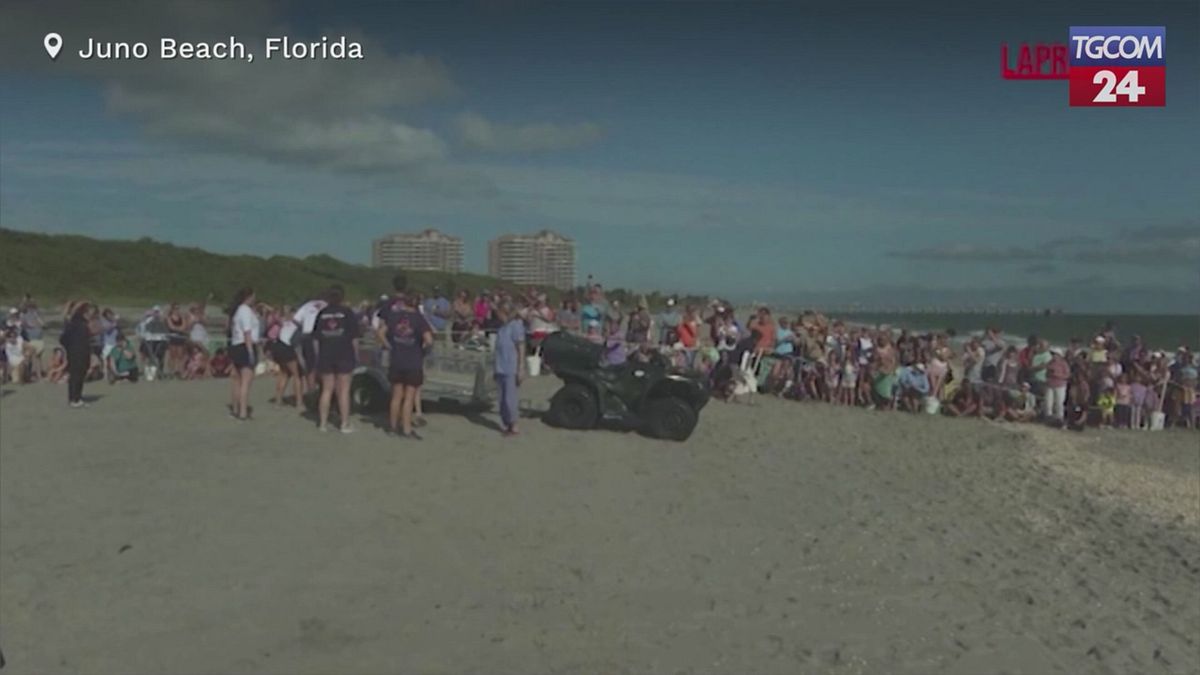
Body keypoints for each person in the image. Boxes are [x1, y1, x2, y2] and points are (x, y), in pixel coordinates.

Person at [376, 275, 433, 440]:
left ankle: (392, 427)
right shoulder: (419, 319)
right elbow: (429, 340)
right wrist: (423, 350)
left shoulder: (394, 316)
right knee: (408, 397)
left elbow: (379, 332)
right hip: (413, 360)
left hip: (397, 358)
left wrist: (388, 345)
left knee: (396, 395)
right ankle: (406, 429)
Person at [314, 286, 360, 433]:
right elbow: (354, 337)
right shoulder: (347, 312)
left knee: (326, 390)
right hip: (344, 353)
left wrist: (318, 355)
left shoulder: (322, 313)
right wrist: (356, 355)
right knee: (344, 390)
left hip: (326, 353)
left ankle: (322, 423)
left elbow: (315, 338)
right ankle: (344, 423)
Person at [493, 302, 526, 437]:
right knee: (501, 399)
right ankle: (507, 423)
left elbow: (521, 346)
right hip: (500, 366)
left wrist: (521, 367)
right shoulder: (502, 328)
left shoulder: (515, 326)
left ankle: (514, 425)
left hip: (511, 367)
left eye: (500, 313)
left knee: (509, 398)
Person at [228, 288, 260, 421]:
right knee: (246, 381)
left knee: (237, 381)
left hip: (236, 345)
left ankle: (236, 409)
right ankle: (243, 411)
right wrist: (251, 351)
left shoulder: (237, 311)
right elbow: (247, 331)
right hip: (245, 345)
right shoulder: (245, 310)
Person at [61, 302, 94, 407]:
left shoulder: (82, 324)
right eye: (88, 312)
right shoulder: (75, 324)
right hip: (76, 353)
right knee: (76, 376)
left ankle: (77, 397)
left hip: (83, 352)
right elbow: (63, 339)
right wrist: (70, 348)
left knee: (80, 375)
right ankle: (73, 399)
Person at [293, 295, 329, 389]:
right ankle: (324, 389)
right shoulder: (326, 305)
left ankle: (311, 391)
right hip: (322, 335)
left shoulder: (307, 305)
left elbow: (295, 320)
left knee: (310, 366)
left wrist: (304, 325)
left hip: (307, 335)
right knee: (324, 365)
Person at [271, 304, 304, 407]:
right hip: (288, 347)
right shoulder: (298, 324)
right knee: (297, 375)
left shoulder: (285, 322)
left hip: (278, 346)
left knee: (284, 374)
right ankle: (299, 401)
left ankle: (278, 400)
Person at [1044, 347, 1070, 423]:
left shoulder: (1064, 364)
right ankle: (1048, 417)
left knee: (1059, 402)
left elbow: (1067, 375)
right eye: (1053, 354)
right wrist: (1049, 375)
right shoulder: (1050, 362)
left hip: (1060, 385)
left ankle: (1059, 418)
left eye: (1055, 354)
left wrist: (1058, 375)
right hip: (1050, 384)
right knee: (1048, 401)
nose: (1053, 356)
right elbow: (1047, 373)